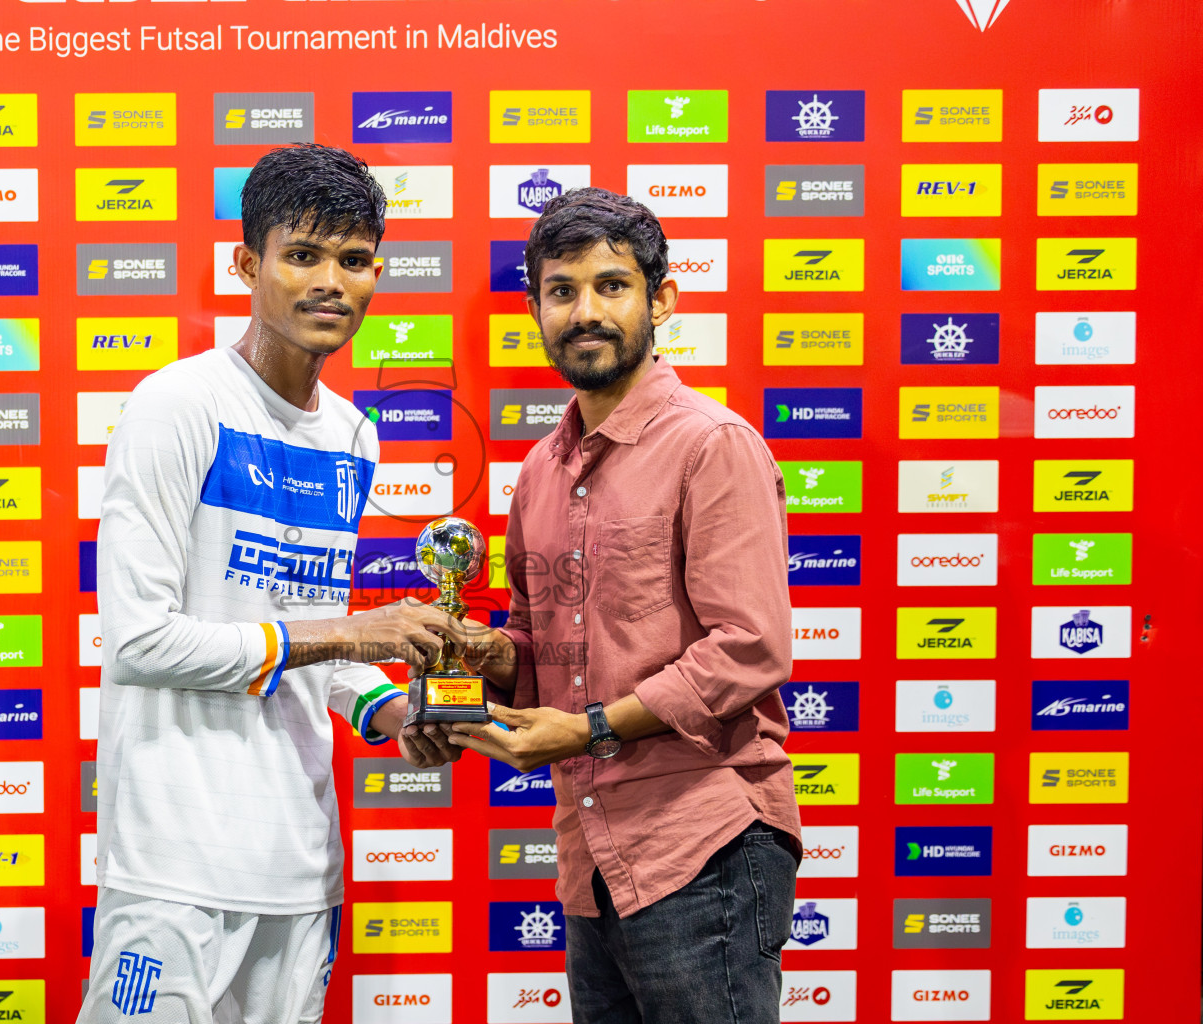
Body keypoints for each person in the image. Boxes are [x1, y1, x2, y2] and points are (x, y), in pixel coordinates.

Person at [79, 144, 461, 1024]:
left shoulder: (354, 437)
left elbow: (312, 638)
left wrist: (396, 711)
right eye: (303, 255)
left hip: (301, 863)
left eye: (355, 260)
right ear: (247, 263)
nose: (332, 282)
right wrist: (350, 633)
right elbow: (140, 641)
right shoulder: (178, 405)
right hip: (175, 863)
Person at [449, 187, 802, 1024]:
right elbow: (538, 657)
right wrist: (489, 657)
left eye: (612, 285)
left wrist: (593, 727)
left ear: (662, 299)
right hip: (592, 853)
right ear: (536, 309)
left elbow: (749, 646)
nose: (586, 311)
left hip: (702, 841)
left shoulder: (712, 445)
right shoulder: (538, 472)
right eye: (562, 291)